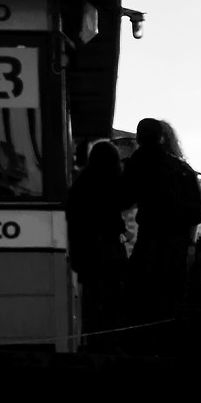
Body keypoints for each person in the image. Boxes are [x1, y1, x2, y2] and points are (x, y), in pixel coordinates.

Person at [120, 118, 201, 323]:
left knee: (141, 298)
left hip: (150, 241)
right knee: (172, 300)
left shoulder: (138, 164)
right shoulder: (183, 170)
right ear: (162, 137)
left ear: (139, 138)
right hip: (178, 247)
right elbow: (197, 214)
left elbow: (123, 199)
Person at [66, 139, 130, 335]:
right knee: (111, 301)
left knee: (91, 302)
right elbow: (114, 224)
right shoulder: (110, 185)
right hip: (108, 254)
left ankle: (92, 337)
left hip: (86, 254)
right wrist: (123, 236)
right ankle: (108, 338)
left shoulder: (81, 184)